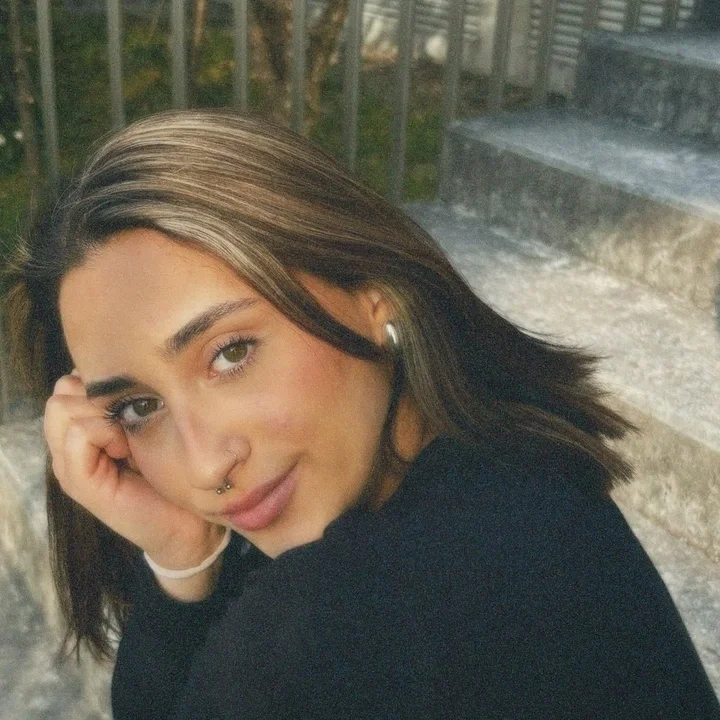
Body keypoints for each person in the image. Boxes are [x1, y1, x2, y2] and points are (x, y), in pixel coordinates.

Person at [4, 109, 719, 720]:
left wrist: (182, 578)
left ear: (373, 292)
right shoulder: (516, 458)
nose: (206, 463)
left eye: (231, 353)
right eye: (139, 407)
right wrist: (181, 550)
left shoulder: (335, 620)